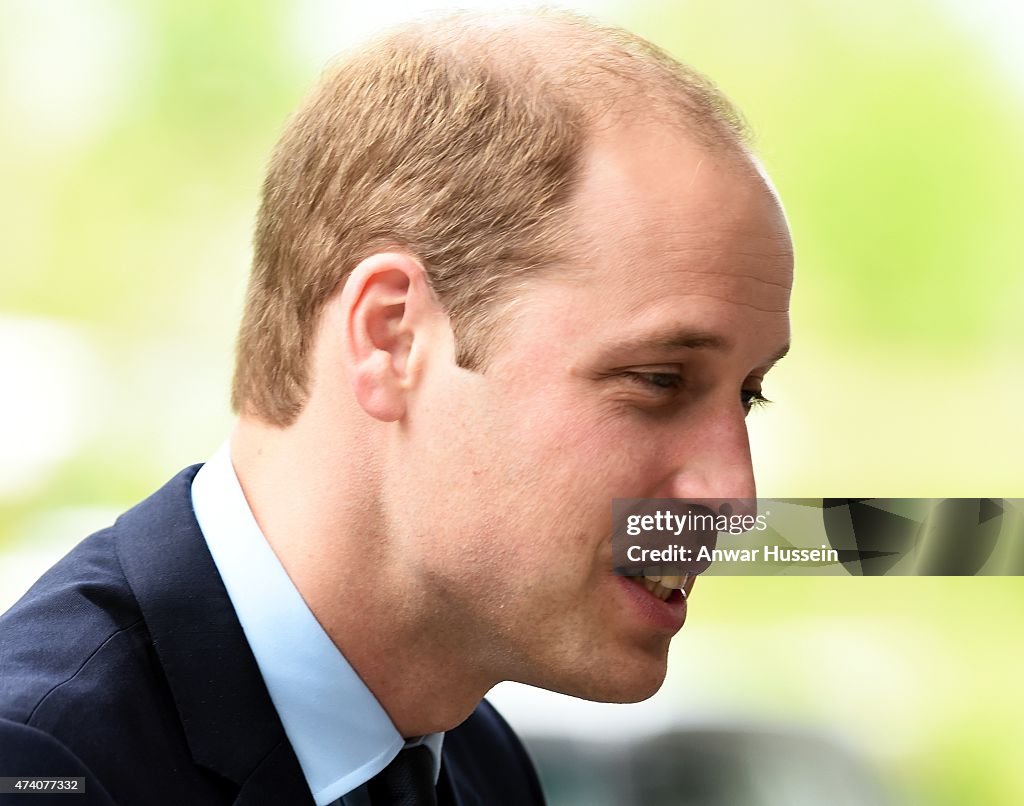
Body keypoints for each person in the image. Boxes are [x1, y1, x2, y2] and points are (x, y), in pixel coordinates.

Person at [0, 9, 793, 806]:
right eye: (659, 379)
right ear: (391, 336)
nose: (736, 497)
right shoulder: (45, 763)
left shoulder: (482, 767)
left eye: (749, 395)